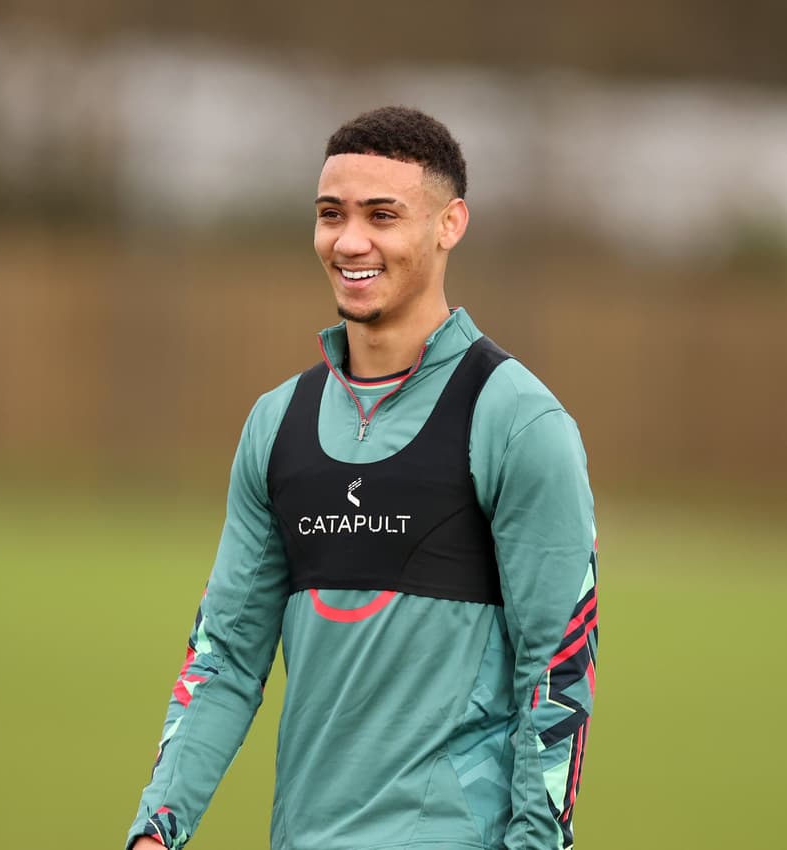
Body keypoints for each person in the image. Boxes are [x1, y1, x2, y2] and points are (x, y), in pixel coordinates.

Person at [126, 105, 598, 850]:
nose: (350, 241)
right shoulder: (275, 423)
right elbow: (224, 656)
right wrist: (157, 829)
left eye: (383, 215)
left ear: (450, 225)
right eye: (330, 214)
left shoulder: (519, 422)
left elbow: (558, 674)